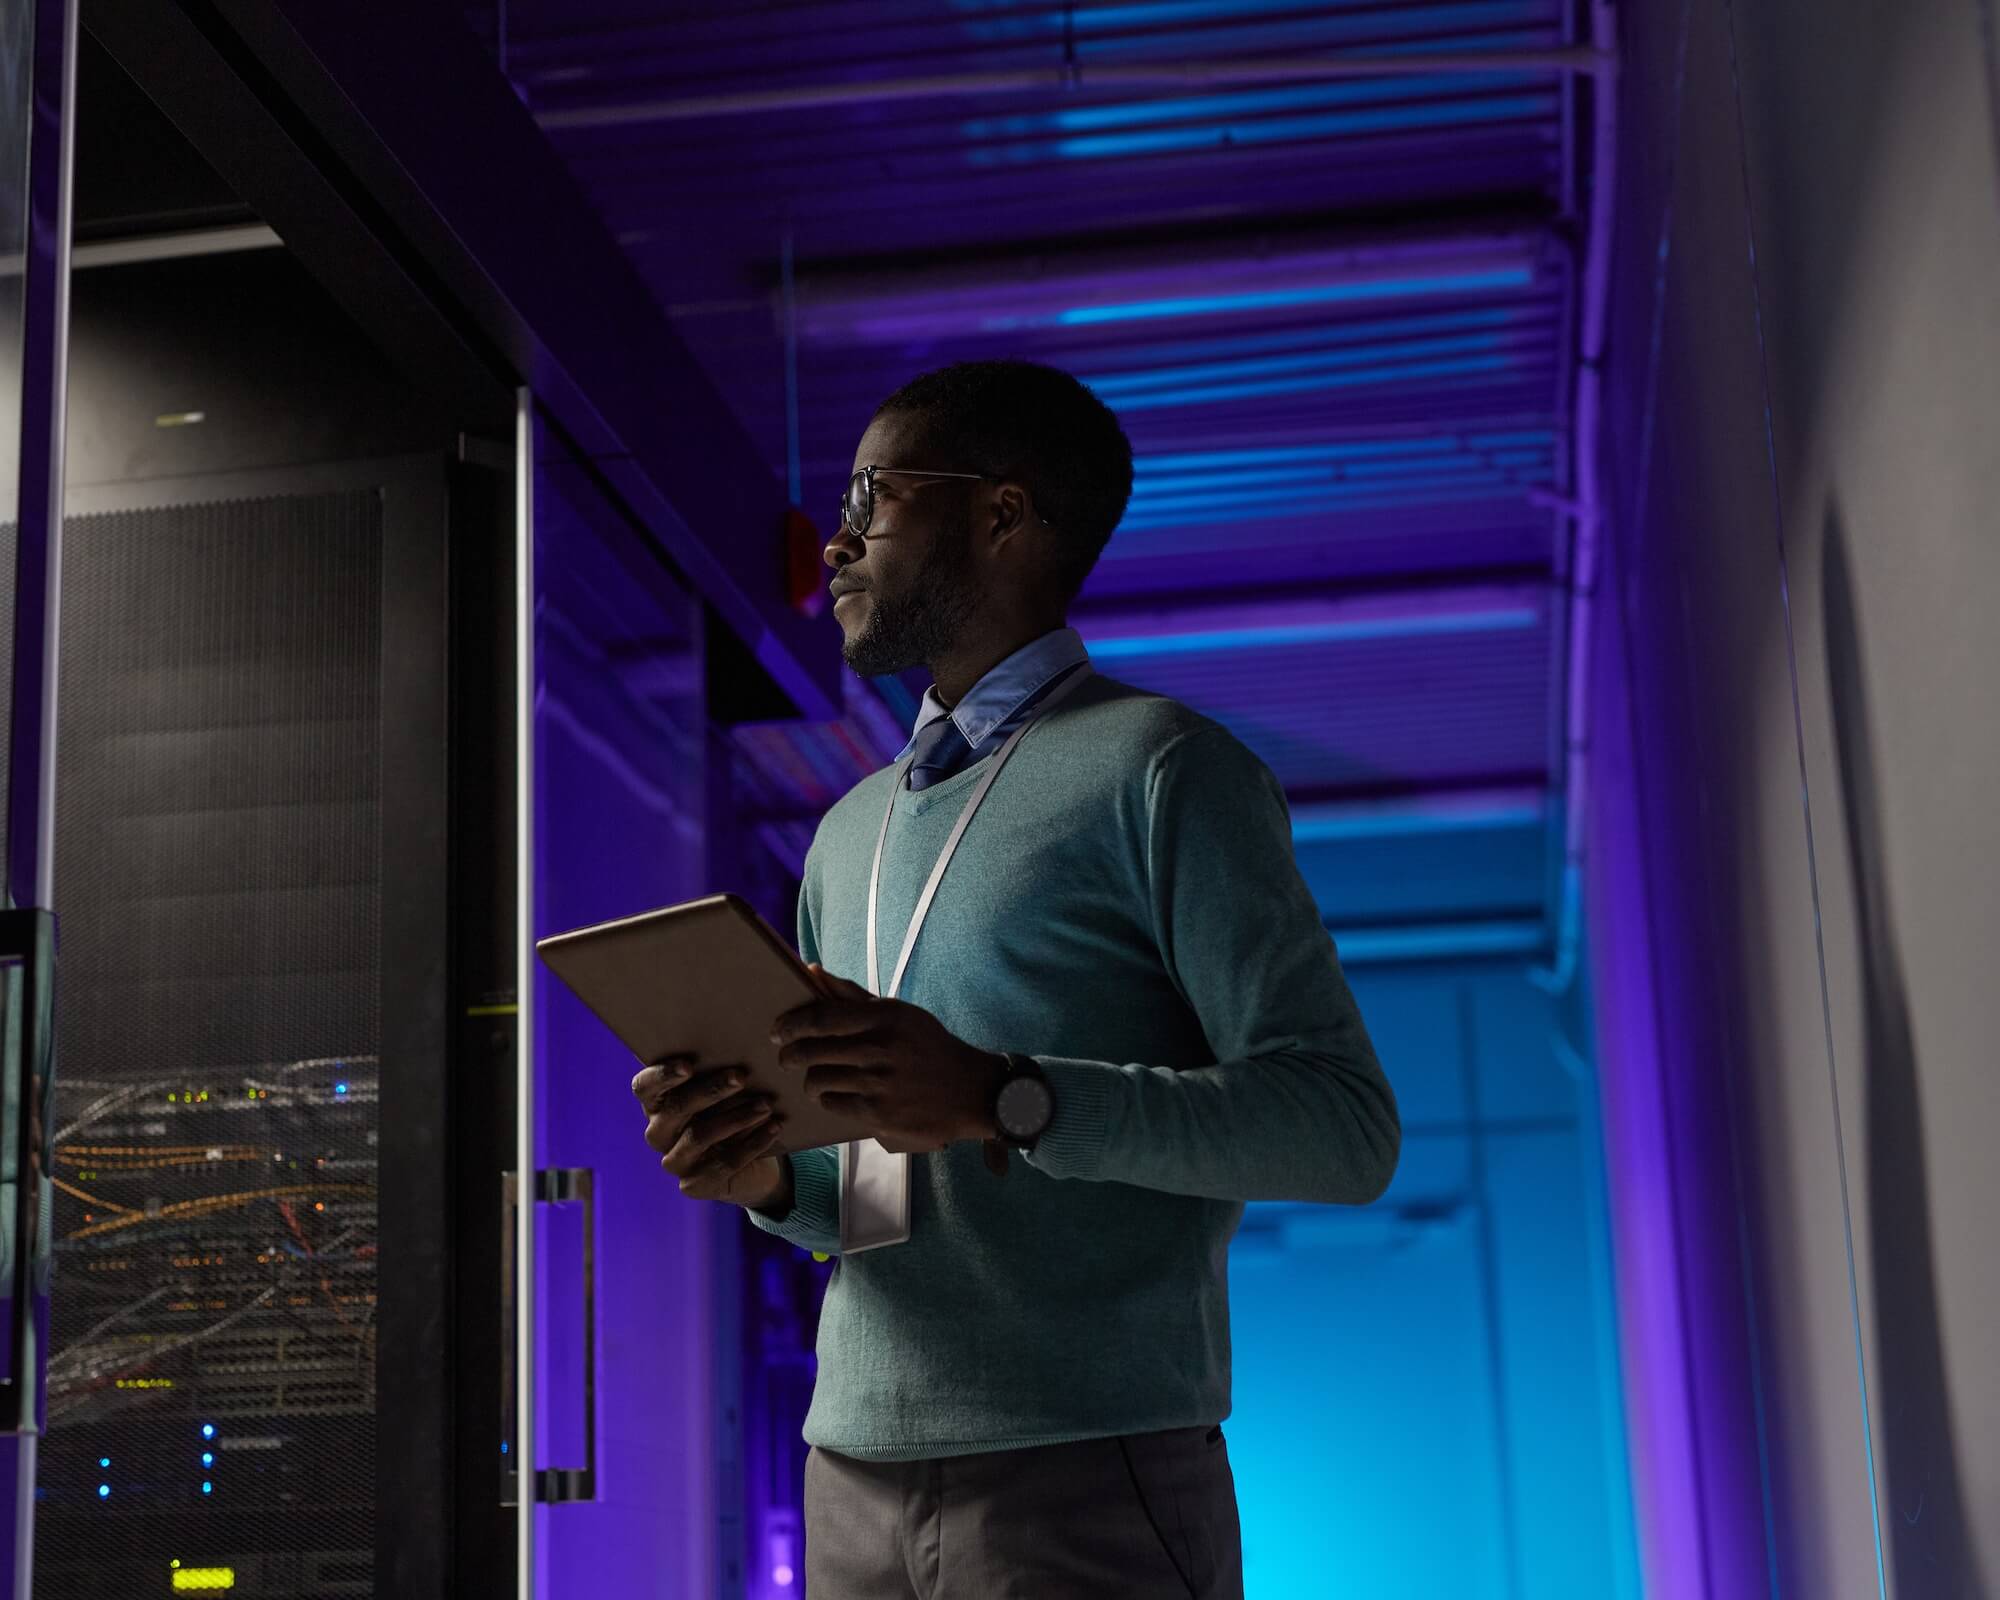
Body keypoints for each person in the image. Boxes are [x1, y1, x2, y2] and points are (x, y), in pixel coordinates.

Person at [630, 359, 1400, 1599]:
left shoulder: (1166, 769)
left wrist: (1007, 1095)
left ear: (999, 514)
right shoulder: (846, 830)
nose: (832, 544)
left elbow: (1342, 1128)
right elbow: (884, 1191)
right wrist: (772, 1176)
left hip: (1085, 1473)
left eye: (871, 499)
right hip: (847, 1474)